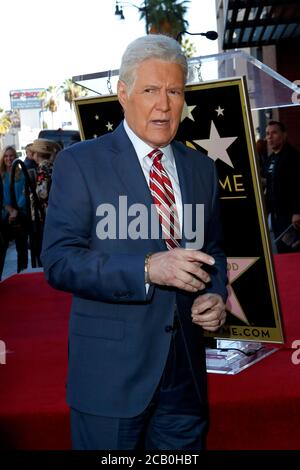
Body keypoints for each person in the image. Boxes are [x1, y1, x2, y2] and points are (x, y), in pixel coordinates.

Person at [42, 34, 228, 451]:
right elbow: (58, 260)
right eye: (150, 90)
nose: (163, 104)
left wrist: (214, 296)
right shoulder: (80, 163)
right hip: (111, 378)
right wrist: (147, 267)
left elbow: (212, 252)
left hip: (186, 377)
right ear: (123, 94)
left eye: (174, 91)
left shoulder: (201, 169)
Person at [264, 120, 300, 253]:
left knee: (292, 251)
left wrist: (297, 211)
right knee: (281, 250)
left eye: (274, 133)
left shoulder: (293, 157)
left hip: (291, 217)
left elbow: (298, 185)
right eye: (267, 134)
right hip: (275, 216)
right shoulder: (270, 159)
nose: (269, 137)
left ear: (284, 135)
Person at [0, 146, 28, 279]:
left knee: (21, 248)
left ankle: (21, 275)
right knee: (2, 246)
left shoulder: (21, 174)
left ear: (15, 156)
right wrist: (10, 210)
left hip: (20, 213)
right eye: (6, 156)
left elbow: (24, 193)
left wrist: (16, 210)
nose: (8, 158)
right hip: (5, 214)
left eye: (11, 155)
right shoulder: (1, 175)